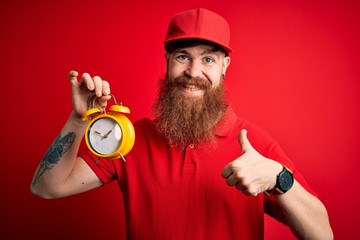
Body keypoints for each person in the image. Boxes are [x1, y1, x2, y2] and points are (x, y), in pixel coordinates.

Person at [31, 8, 333, 240]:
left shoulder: (253, 143)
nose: (193, 71)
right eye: (183, 56)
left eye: (208, 60)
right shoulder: (129, 137)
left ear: (225, 65)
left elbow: (323, 235)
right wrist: (80, 118)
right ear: (167, 60)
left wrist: (279, 177)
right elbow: (46, 187)